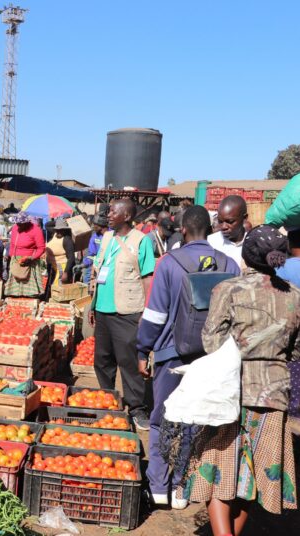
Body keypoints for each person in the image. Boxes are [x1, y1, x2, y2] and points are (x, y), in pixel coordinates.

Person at [182, 225, 299, 535]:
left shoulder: (228, 290)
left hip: (230, 390)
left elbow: (211, 342)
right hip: (273, 394)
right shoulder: (295, 296)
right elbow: (296, 349)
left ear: (247, 254)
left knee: (220, 466)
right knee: (257, 473)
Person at [136, 206, 240, 509]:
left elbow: (155, 315)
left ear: (183, 230)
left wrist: (143, 349)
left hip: (171, 355)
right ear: (210, 229)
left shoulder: (169, 263)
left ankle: (158, 486)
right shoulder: (230, 264)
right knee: (197, 422)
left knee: (160, 420)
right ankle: (184, 487)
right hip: (212, 358)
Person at [90, 198, 155, 430]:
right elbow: (98, 272)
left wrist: (146, 310)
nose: (108, 215)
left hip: (127, 311)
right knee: (102, 360)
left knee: (128, 361)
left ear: (126, 216)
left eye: (113, 212)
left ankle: (137, 407)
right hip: (103, 310)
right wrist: (93, 305)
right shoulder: (107, 238)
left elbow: (148, 277)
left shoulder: (141, 241)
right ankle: (108, 400)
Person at [5, 211, 46, 298]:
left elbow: (41, 248)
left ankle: (31, 300)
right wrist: (10, 256)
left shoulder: (36, 230)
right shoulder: (15, 228)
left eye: (21, 224)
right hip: (16, 260)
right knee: (14, 290)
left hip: (30, 260)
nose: (18, 225)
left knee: (30, 292)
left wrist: (31, 258)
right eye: (17, 223)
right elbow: (12, 244)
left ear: (27, 223)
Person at [208, 195, 248, 269]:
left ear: (244, 218)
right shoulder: (210, 243)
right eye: (220, 221)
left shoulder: (253, 245)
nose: (223, 227)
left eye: (230, 222)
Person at [45, 218, 76, 285]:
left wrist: (65, 272)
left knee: (57, 286)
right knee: (51, 286)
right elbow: (47, 225)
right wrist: (59, 221)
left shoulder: (67, 239)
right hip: (52, 265)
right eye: (57, 229)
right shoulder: (55, 234)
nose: (59, 232)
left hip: (61, 266)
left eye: (61, 230)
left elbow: (71, 258)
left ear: (65, 230)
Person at [83, 214, 107, 284]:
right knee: (87, 280)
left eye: (94, 224)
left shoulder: (113, 235)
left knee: (102, 284)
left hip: (108, 267)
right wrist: (84, 264)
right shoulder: (94, 236)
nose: (93, 226)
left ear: (100, 225)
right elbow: (91, 254)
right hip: (97, 265)